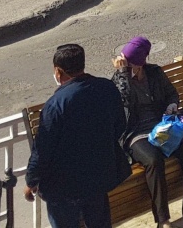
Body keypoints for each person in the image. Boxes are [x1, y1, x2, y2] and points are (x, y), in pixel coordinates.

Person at [24, 44, 130, 228]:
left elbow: (42, 150)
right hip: (99, 178)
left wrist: (31, 181)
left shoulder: (56, 105)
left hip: (64, 188)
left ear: (58, 72)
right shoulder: (106, 88)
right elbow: (120, 126)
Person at [112, 37, 183, 228]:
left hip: (162, 127)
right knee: (154, 160)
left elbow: (172, 93)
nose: (128, 66)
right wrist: (123, 73)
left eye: (132, 64)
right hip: (136, 133)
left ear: (141, 63)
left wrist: (172, 105)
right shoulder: (118, 79)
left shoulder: (154, 73)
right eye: (126, 63)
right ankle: (163, 220)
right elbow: (123, 103)